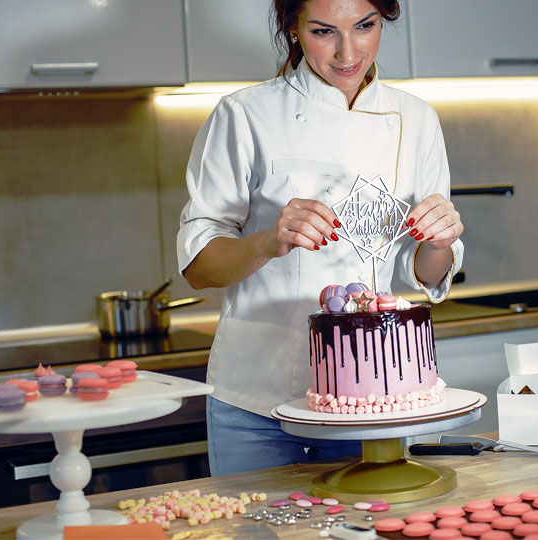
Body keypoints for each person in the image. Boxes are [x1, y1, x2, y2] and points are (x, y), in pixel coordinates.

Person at [176, 0, 465, 476]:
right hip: (256, 397)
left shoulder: (415, 119)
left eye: (366, 27)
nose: (347, 52)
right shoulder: (244, 114)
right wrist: (268, 241)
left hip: (371, 399)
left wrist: (438, 242)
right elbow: (199, 269)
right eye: (324, 31)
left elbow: (426, 271)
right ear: (293, 28)